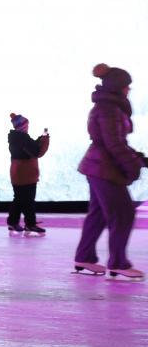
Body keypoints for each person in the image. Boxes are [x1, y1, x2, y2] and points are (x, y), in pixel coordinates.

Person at [74, 64, 145, 279]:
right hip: (104, 169)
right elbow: (113, 144)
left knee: (98, 215)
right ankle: (118, 263)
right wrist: (133, 165)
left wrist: (140, 159)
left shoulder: (108, 107)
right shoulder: (108, 109)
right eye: (126, 86)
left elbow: (114, 143)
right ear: (118, 87)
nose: (129, 90)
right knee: (123, 213)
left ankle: (84, 257)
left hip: (98, 166)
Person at [7, 112, 50, 236]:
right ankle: (30, 225)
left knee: (19, 199)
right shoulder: (23, 139)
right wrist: (45, 138)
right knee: (28, 200)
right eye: (27, 125)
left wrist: (40, 138)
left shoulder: (16, 138)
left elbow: (31, 148)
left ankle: (13, 222)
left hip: (17, 172)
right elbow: (37, 152)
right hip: (26, 173)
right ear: (23, 126)